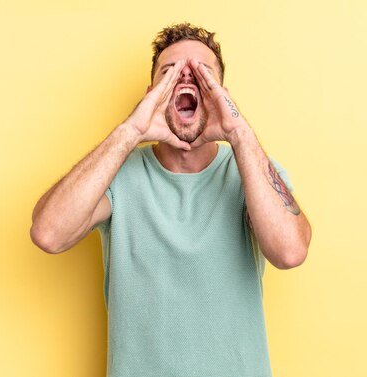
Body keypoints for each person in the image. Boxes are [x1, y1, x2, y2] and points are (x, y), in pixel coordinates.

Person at [30, 22, 312, 377]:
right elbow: (49, 233)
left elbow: (290, 252)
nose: (186, 79)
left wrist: (239, 132)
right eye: (171, 73)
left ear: (220, 93)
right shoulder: (120, 175)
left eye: (202, 74)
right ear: (152, 92)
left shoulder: (251, 172)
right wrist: (130, 131)